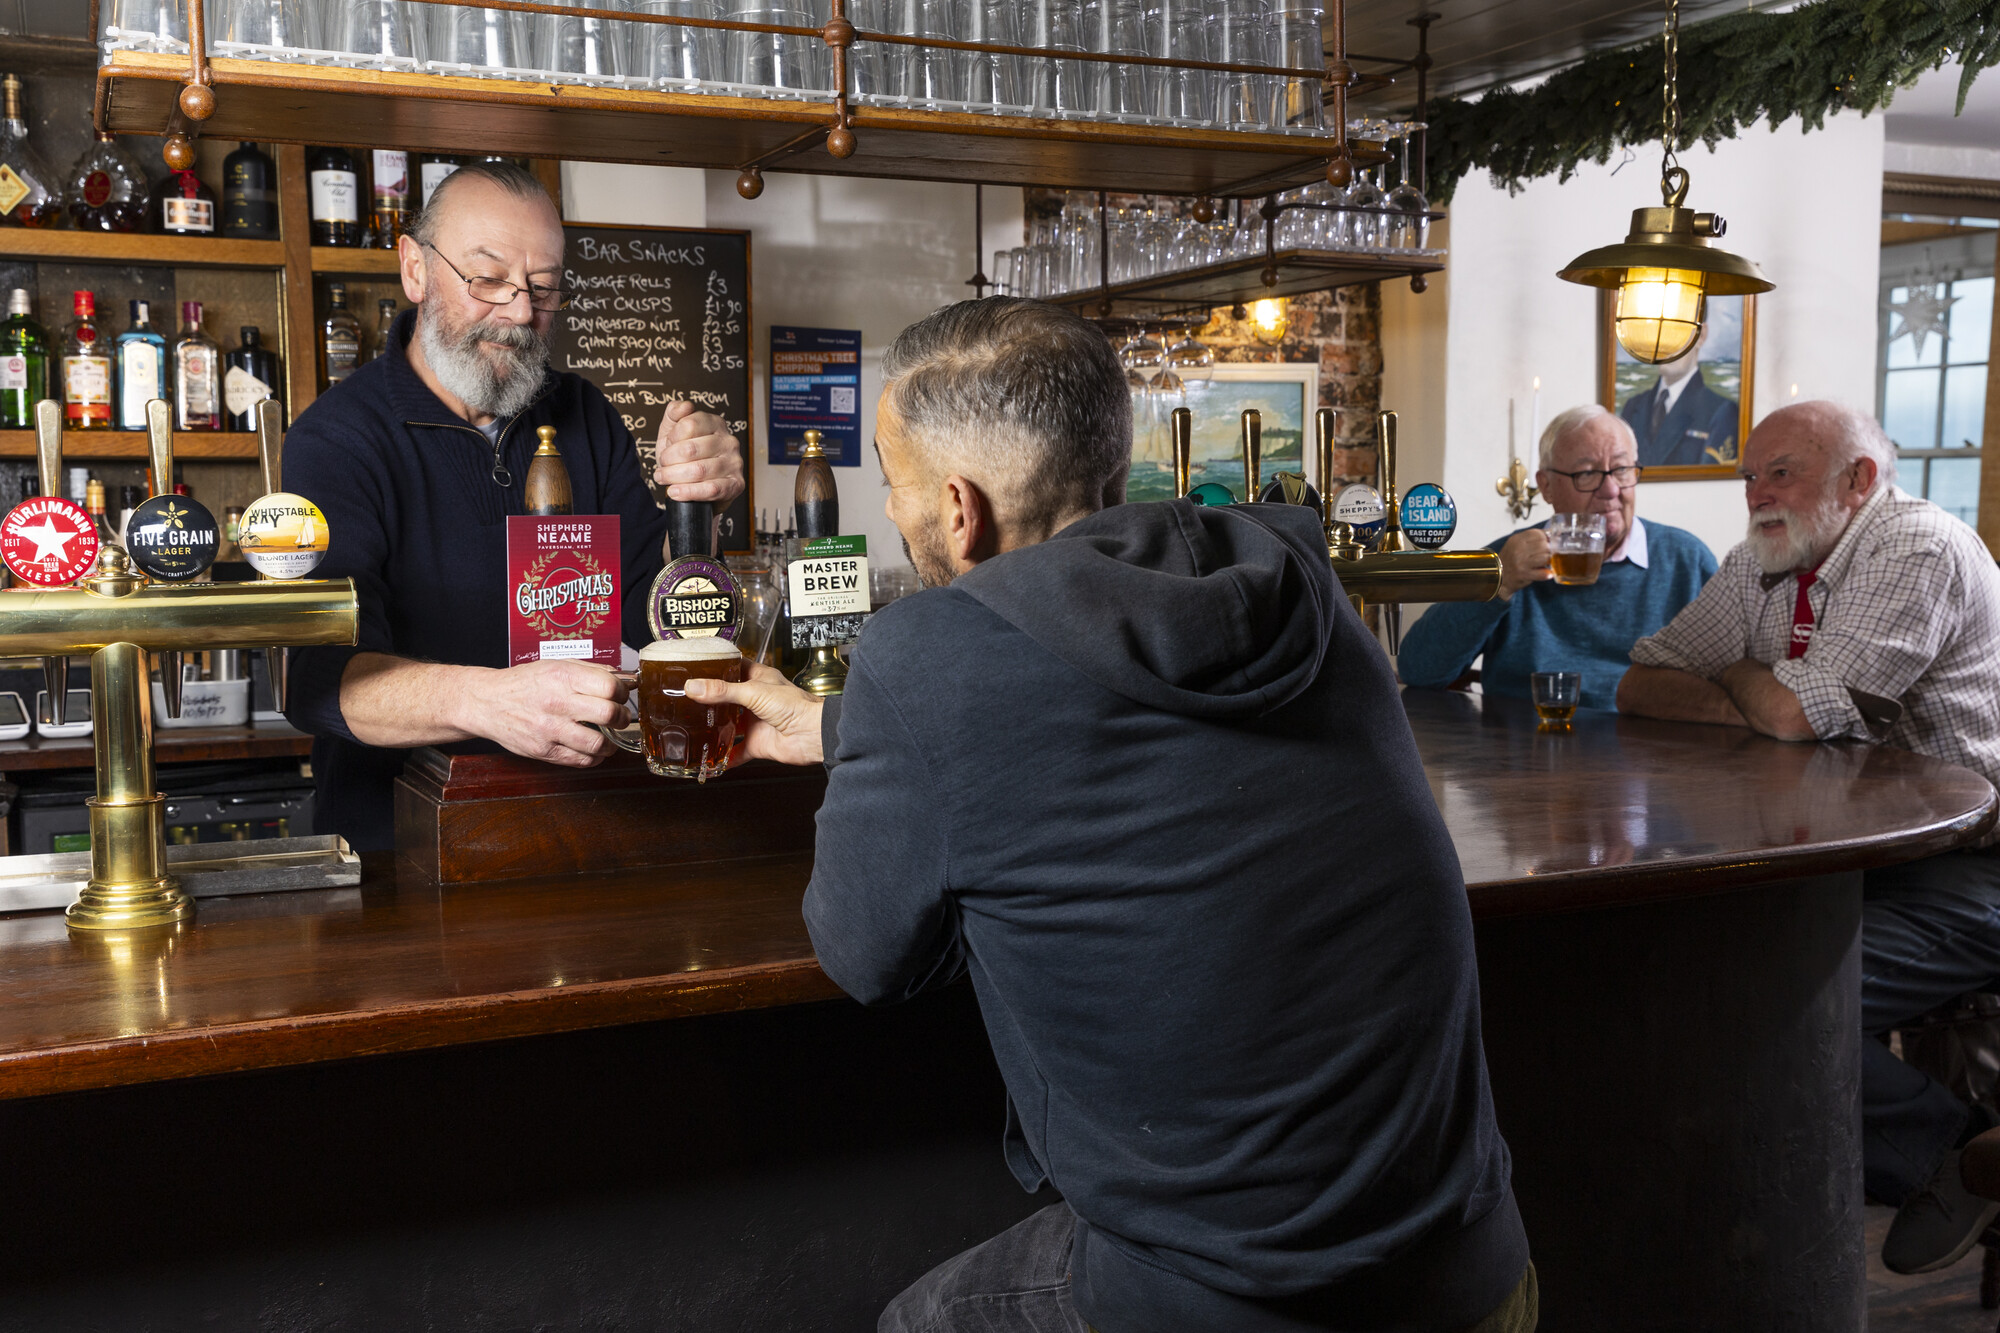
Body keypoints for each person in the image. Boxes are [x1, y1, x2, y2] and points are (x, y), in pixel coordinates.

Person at [690, 298, 1536, 1333]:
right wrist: (840, 730)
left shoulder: (925, 659)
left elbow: (865, 956)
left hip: (1231, 1307)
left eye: (891, 477)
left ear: (956, 508)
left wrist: (885, 726)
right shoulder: (1292, 581)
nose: (894, 505)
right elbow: (1116, 734)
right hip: (1476, 1275)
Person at [1617, 400, 2000, 1276]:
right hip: (1856, 855)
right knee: (1671, 965)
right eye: (1750, 474)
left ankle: (1963, 1157)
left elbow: (1790, 715)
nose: (1756, 493)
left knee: (1756, 1004)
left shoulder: (1914, 547)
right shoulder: (1767, 555)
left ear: (1859, 479)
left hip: (1973, 865)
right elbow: (1642, 682)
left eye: (1779, 471)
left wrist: (1751, 677)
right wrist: (1752, 692)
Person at [281, 161, 745, 851]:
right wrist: (495, 701)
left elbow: (657, 618)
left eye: (545, 287)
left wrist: (696, 507)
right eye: (488, 279)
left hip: (586, 834)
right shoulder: (337, 439)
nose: (522, 312)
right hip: (403, 855)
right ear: (414, 270)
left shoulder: (583, 413)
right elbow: (320, 682)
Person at [1397, 404, 1715, 712]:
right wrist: (1499, 584)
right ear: (1546, 487)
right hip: (1524, 753)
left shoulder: (1686, 560)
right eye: (1588, 473)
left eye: (1621, 470)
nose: (1611, 490)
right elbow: (1418, 671)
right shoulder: (1509, 559)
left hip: (1653, 758)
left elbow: (1730, 677)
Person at [1620, 323, 1740, 467]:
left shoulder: (1722, 412)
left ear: (1700, 336)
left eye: (1677, 332)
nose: (1666, 345)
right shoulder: (1633, 407)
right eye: (1659, 333)